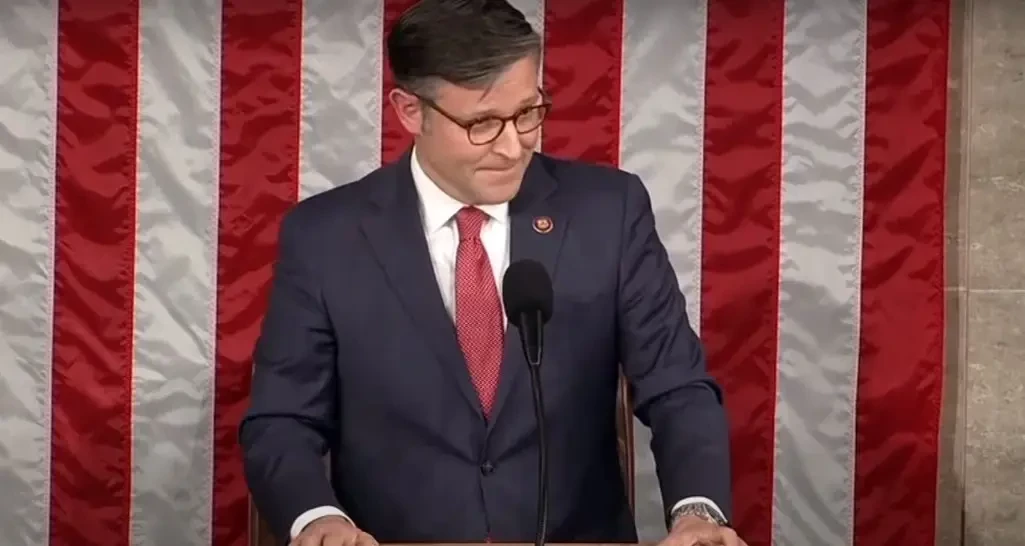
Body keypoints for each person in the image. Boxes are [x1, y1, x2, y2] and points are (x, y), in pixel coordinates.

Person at [240, 1, 747, 545]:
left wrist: (698, 511)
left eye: (528, 113)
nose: (512, 147)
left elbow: (677, 385)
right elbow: (283, 419)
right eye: (482, 123)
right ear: (410, 111)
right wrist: (319, 518)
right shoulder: (325, 237)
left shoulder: (608, 211)